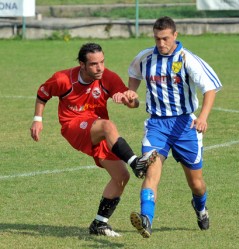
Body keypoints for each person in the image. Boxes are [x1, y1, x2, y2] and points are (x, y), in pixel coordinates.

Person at [30, 43, 157, 237]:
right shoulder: (63, 79)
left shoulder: (108, 77)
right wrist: (37, 120)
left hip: (98, 130)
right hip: (74, 126)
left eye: (102, 62)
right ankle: (136, 163)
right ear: (82, 64)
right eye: (93, 64)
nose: (100, 68)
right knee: (108, 125)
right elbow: (42, 95)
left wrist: (129, 98)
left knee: (121, 177)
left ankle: (99, 224)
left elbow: (132, 103)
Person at [127, 16, 222, 238]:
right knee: (151, 172)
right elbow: (133, 75)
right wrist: (131, 94)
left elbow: (210, 88)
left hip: (185, 125)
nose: (161, 43)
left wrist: (203, 117)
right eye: (157, 38)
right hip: (157, 125)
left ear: (175, 35)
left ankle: (200, 208)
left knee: (197, 184)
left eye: (165, 38)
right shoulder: (145, 57)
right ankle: (146, 220)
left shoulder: (187, 59)